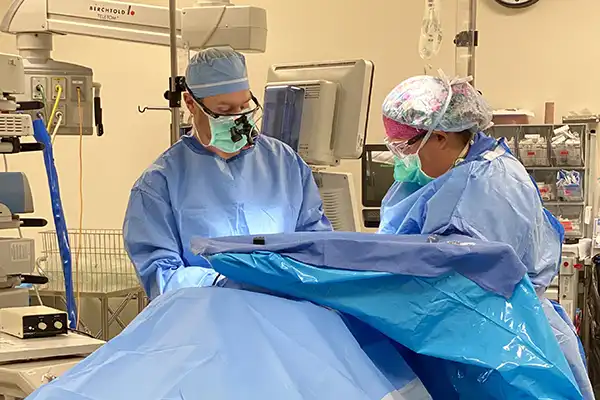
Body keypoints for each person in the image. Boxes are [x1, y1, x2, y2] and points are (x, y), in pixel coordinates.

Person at [377, 74, 593, 399]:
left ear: (439, 137)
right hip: (475, 335)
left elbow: (472, 283)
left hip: (503, 341)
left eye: (404, 146)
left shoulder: (492, 183)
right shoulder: (445, 176)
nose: (400, 159)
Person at [123, 47, 332, 301]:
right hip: (207, 323)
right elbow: (161, 276)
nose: (238, 119)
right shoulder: (159, 185)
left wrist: (289, 276)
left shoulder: (285, 164)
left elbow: (317, 245)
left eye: (244, 106)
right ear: (191, 103)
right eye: (224, 111)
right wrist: (226, 283)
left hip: (284, 320)